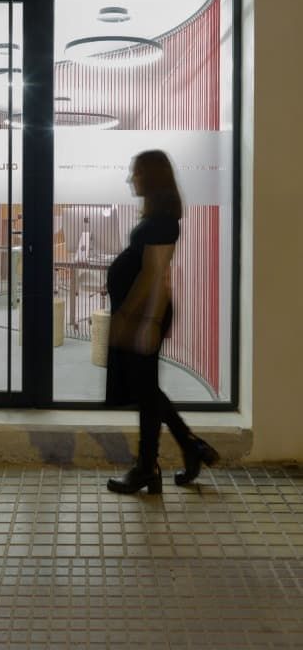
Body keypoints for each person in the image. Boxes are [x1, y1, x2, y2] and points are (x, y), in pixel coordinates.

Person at [105, 150, 219, 494]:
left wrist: (137, 321)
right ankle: (182, 450)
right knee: (145, 390)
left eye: (135, 172)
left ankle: (152, 465)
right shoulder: (157, 219)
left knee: (145, 390)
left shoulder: (164, 222)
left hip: (145, 316)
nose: (130, 179)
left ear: (151, 177)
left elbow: (155, 275)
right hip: (141, 315)